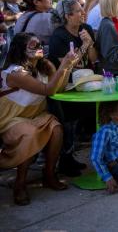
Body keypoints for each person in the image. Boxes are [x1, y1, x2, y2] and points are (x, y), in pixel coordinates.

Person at [0, 33, 79, 205]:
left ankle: (49, 174)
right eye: (34, 45)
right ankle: (20, 183)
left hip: (35, 115)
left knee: (56, 128)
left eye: (40, 44)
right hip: (11, 119)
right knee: (29, 134)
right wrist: (63, 66)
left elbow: (59, 87)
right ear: (21, 49)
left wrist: (68, 66)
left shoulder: (44, 65)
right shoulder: (15, 73)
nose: (40, 48)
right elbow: (48, 91)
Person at [48, 0, 98, 175]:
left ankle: (71, 158)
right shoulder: (59, 36)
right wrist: (84, 45)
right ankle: (65, 161)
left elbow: (93, 59)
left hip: (86, 83)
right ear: (68, 16)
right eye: (78, 11)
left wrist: (89, 44)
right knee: (68, 123)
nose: (83, 12)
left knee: (80, 122)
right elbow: (70, 65)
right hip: (66, 86)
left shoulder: (87, 29)